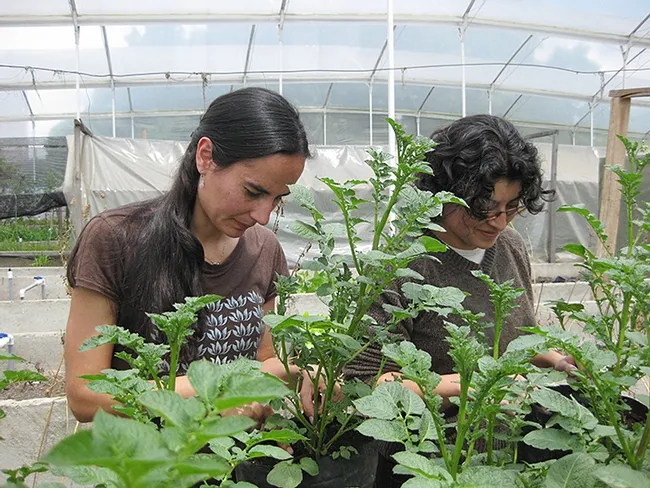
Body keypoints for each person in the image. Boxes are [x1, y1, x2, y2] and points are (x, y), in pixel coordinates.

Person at [345, 114, 576, 486]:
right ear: (442, 193)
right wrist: (472, 386)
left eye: (512, 205)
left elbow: (513, 336)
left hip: (504, 451)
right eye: (483, 207)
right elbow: (365, 383)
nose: (498, 221)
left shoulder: (510, 246)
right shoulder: (401, 263)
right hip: (426, 462)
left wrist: (552, 357)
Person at [64, 87, 311, 423]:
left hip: (238, 463)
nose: (263, 215)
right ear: (205, 157)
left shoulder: (264, 249)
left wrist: (301, 372)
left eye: (277, 199)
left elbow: (263, 360)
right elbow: (84, 396)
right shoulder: (116, 238)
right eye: (253, 191)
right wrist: (220, 393)